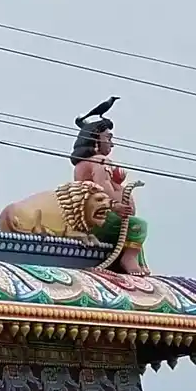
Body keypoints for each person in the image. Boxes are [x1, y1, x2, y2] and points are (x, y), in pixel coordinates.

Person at [70, 102, 151, 274]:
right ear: (95, 140)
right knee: (138, 225)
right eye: (108, 138)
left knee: (132, 232)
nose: (111, 144)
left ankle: (130, 257)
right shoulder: (100, 161)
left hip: (88, 220)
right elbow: (103, 188)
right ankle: (128, 259)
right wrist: (116, 201)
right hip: (101, 218)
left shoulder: (81, 165)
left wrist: (117, 184)